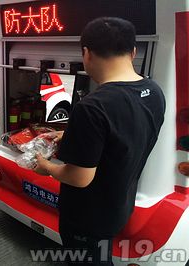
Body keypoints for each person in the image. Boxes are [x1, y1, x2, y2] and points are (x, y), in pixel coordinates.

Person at [34, 17, 165, 265]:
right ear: (133, 51)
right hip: (119, 204)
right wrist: (71, 135)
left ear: (86, 53)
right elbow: (124, 135)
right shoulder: (154, 91)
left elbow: (79, 177)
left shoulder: (93, 107)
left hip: (87, 217)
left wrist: (46, 168)